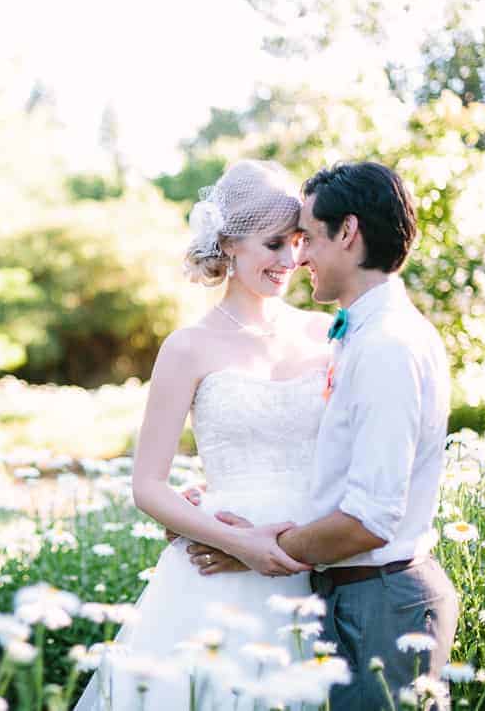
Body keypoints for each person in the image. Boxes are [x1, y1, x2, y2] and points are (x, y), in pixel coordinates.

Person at [182, 161, 459, 709]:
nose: (298, 256)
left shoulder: (386, 348)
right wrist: (212, 505)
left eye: (306, 237)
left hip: (380, 604)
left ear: (348, 233)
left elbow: (370, 518)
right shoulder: (361, 334)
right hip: (350, 599)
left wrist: (259, 551)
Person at [73, 160, 335, 711]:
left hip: (322, 564)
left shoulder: (326, 333)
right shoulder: (188, 347)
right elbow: (148, 485)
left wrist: (287, 547)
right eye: (272, 244)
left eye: (296, 241)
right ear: (231, 245)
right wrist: (235, 541)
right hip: (218, 575)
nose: (290, 260)